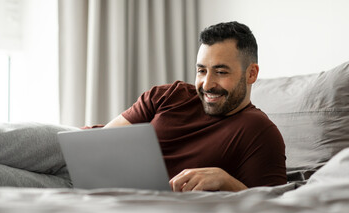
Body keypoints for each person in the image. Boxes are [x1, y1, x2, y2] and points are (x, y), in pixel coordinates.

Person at [103, 21, 287, 192]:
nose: (207, 84)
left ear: (251, 74)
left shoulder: (259, 132)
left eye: (221, 72)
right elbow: (101, 141)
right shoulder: (169, 95)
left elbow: (271, 208)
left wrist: (225, 181)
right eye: (201, 71)